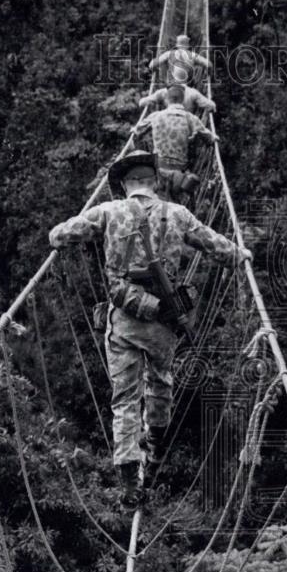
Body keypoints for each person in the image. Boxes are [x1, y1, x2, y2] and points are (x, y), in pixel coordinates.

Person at [48, 149, 253, 511]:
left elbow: (60, 235)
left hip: (125, 323)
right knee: (160, 384)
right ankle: (155, 450)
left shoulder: (107, 211)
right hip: (163, 324)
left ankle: (129, 484)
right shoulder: (178, 214)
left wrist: (61, 233)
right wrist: (242, 255)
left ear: (125, 184)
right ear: (155, 182)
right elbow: (216, 246)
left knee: (125, 400)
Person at [133, 85, 216, 200]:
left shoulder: (155, 116)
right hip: (180, 175)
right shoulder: (191, 118)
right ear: (182, 100)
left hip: (158, 172)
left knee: (157, 201)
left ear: (167, 99)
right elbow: (210, 139)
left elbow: (136, 132)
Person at [138, 83, 216, 118]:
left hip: (167, 122)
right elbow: (211, 106)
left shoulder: (164, 92)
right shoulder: (193, 92)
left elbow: (142, 103)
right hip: (187, 124)